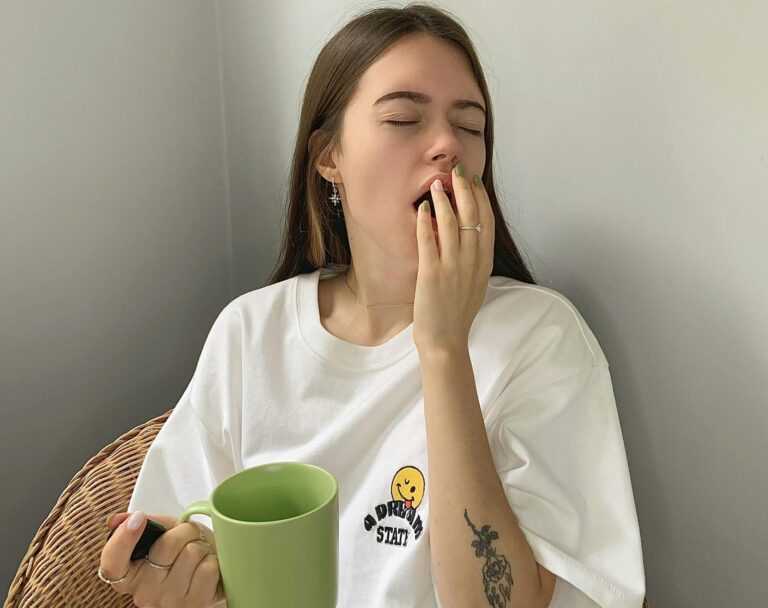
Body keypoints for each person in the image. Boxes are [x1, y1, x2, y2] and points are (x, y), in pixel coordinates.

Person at [98, 3, 646, 607]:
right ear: (329, 157)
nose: (446, 147)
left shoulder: (540, 335)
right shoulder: (250, 334)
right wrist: (169, 582)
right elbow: (175, 548)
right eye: (404, 119)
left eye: (469, 127)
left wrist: (443, 349)